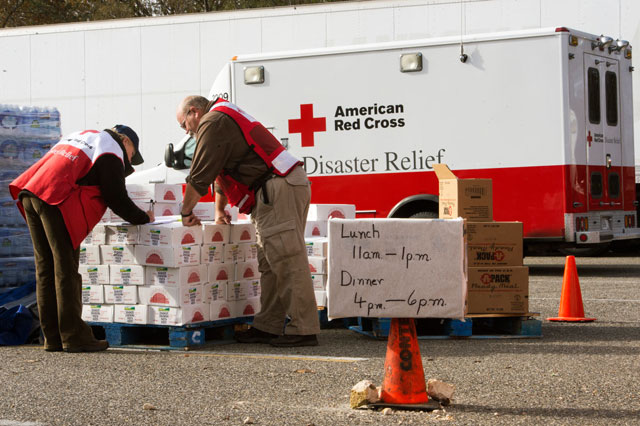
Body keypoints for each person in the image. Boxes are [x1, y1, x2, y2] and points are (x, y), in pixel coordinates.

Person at [176, 95, 320, 347]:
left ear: (194, 112)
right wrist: (220, 211)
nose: (187, 132)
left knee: (286, 258)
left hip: (275, 188)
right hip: (278, 186)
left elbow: (199, 175)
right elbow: (220, 171)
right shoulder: (222, 116)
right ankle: (268, 325)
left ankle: (304, 328)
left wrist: (186, 211)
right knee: (271, 261)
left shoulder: (212, 121)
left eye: (184, 125)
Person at [9, 125, 154, 352]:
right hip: (53, 198)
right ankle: (74, 337)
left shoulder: (84, 136)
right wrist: (144, 218)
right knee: (65, 269)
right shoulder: (110, 148)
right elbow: (116, 197)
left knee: (46, 270)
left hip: (31, 192)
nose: (129, 161)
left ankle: (53, 338)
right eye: (132, 154)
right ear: (125, 141)